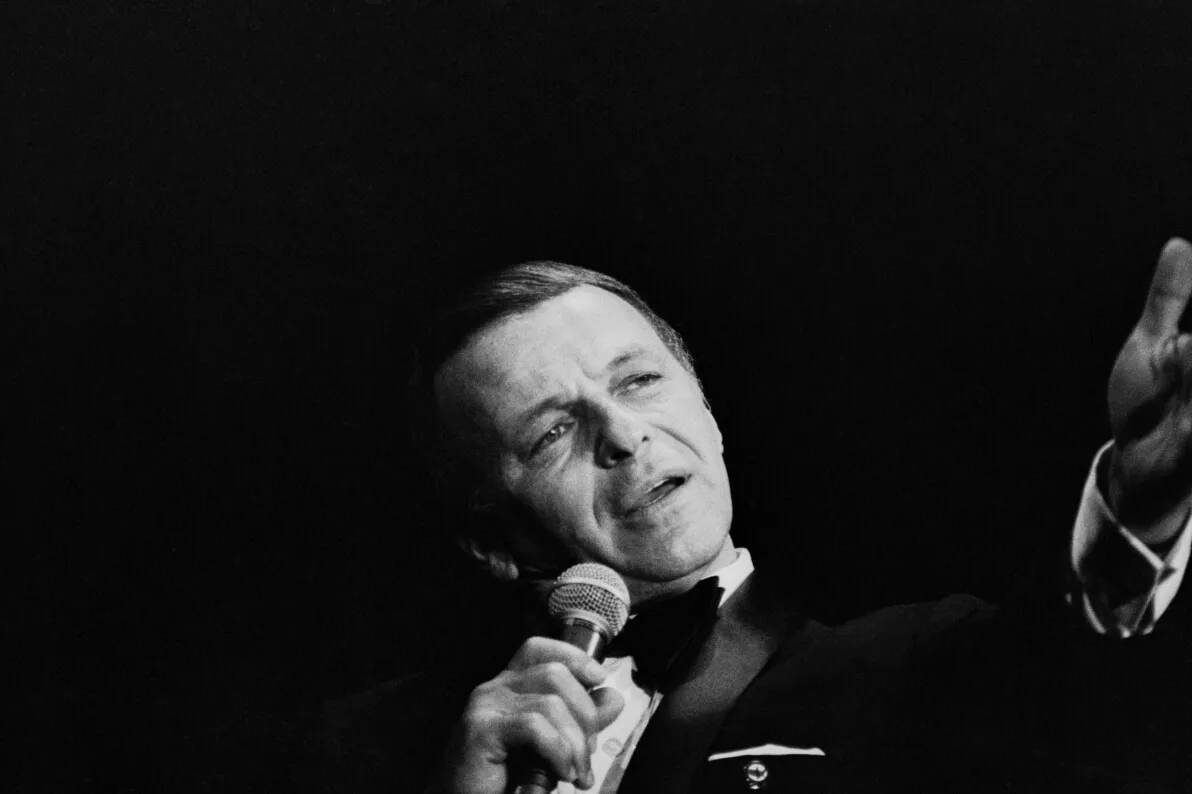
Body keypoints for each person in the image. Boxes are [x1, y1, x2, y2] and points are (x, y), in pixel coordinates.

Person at [320, 240, 1192, 793]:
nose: (624, 435)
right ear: (489, 543)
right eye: (553, 431)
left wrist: (1137, 513)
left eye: (639, 381)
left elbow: (1079, 694)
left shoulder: (920, 669)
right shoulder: (367, 749)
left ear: (707, 410)